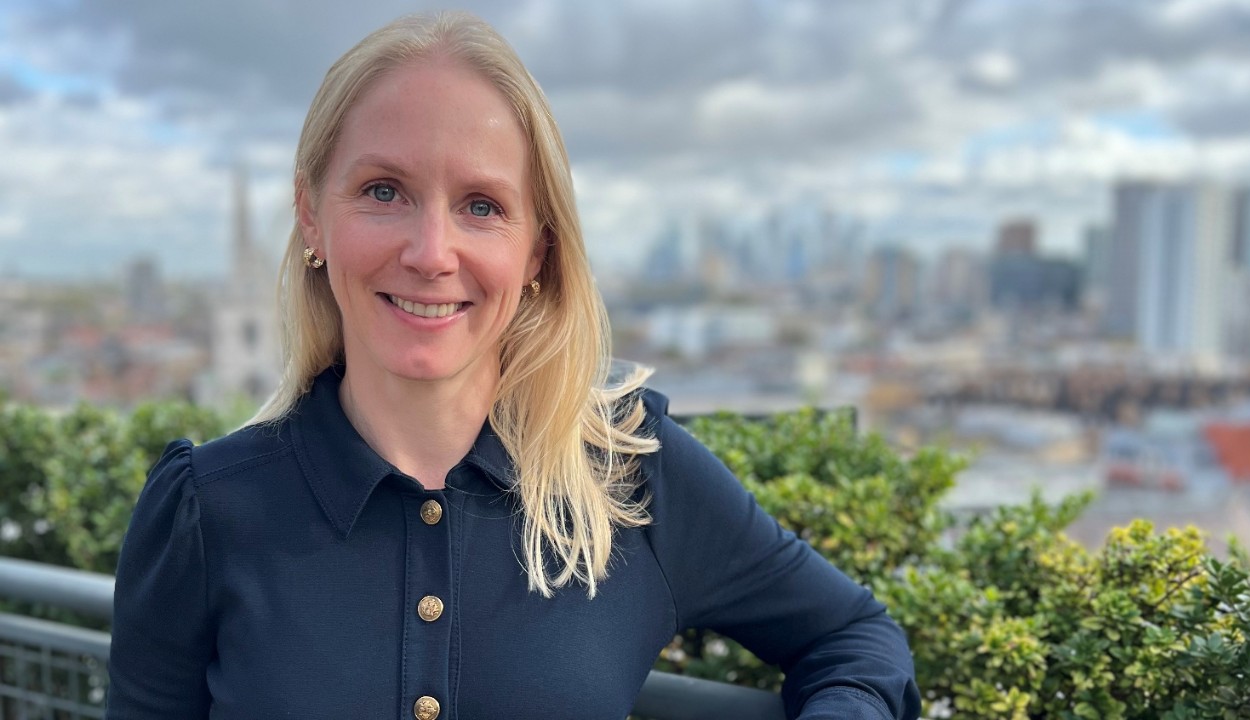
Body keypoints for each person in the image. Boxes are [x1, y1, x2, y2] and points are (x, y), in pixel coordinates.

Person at [106, 11, 920, 720]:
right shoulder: (208, 510)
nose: (431, 253)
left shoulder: (628, 477)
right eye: (384, 191)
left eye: (482, 206)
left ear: (537, 252)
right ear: (311, 216)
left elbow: (854, 637)